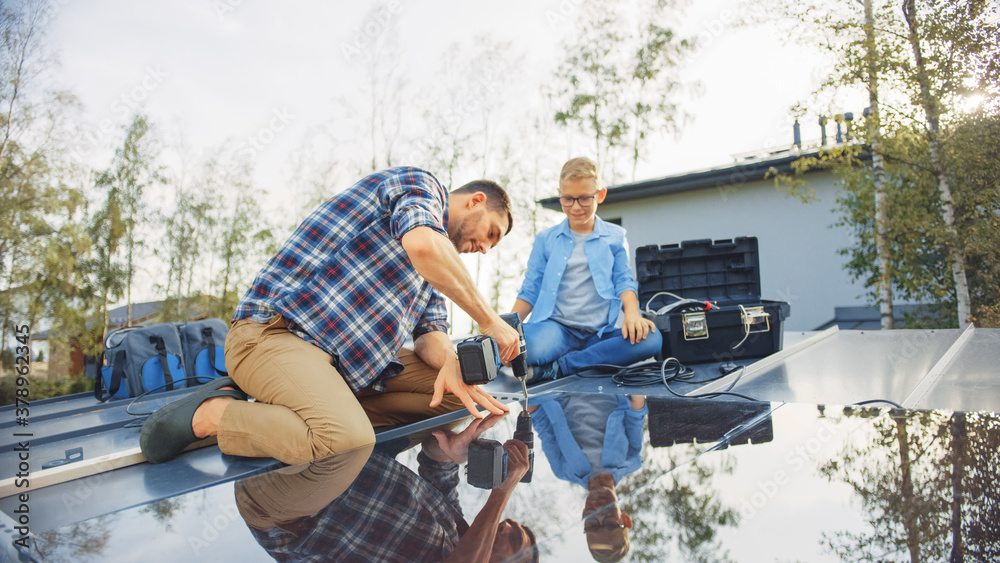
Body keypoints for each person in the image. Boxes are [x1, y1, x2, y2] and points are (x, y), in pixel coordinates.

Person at [141, 166, 521, 465]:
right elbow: (422, 245)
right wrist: (489, 319)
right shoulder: (419, 185)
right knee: (346, 441)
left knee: (461, 399)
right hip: (278, 334)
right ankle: (213, 413)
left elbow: (430, 336)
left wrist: (452, 364)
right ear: (475, 201)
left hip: (347, 368)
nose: (485, 248)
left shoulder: (437, 271)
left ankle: (312, 407)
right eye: (491, 233)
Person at [235, 415, 537, 562]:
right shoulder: (458, 529)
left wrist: (502, 492)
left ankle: (216, 409)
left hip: (294, 515)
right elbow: (437, 468)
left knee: (321, 430)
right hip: (352, 455)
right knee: (455, 403)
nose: (506, 523)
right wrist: (451, 451)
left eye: (513, 537)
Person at [511, 156, 661, 382]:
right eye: (567, 199)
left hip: (599, 334)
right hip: (557, 331)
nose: (575, 207)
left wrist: (632, 315)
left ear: (600, 195)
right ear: (559, 193)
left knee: (651, 339)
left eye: (584, 199)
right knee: (522, 348)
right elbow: (530, 289)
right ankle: (584, 360)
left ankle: (561, 367)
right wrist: (507, 329)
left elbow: (624, 281)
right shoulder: (546, 239)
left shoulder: (615, 237)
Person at [528, 393, 647, 562]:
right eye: (609, 523)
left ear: (584, 518)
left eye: (592, 525)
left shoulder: (562, 470)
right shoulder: (633, 460)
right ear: (624, 519)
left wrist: (527, 391)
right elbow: (636, 411)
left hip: (556, 381)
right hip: (606, 374)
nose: (598, 512)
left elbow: (540, 421)